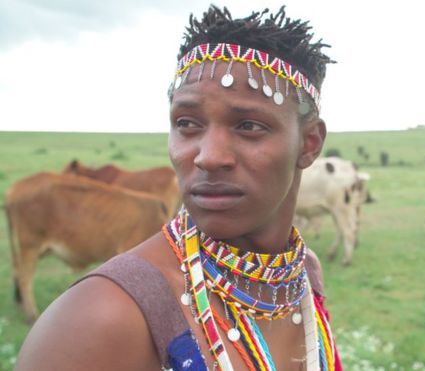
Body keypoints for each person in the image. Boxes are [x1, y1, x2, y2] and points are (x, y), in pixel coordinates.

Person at [16, 4, 341, 371]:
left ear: (309, 143)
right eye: (187, 123)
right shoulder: (101, 317)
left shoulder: (302, 276)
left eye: (249, 126)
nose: (208, 156)